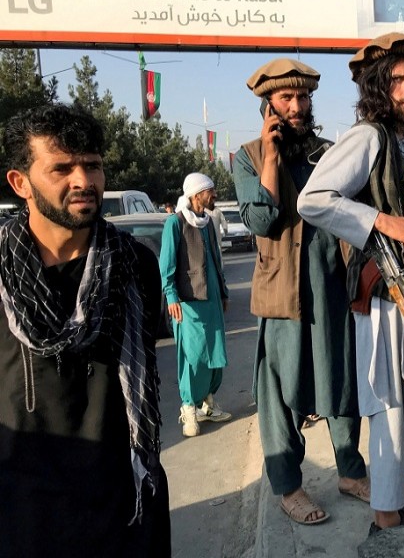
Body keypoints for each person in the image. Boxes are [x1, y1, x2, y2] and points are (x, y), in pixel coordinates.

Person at [297, 33, 404, 535]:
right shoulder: (368, 136)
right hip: (388, 292)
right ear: (378, 86)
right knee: (389, 400)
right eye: (398, 80)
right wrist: (380, 222)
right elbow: (314, 199)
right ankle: (387, 514)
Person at [0, 103, 170, 556]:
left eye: (92, 166)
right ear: (21, 184)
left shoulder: (136, 265)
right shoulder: (1, 274)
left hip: (123, 502)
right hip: (23, 512)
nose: (83, 181)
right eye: (62, 168)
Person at [233, 58, 368, 525]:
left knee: (341, 380)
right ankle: (289, 486)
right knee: (283, 391)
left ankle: (351, 472)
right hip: (282, 294)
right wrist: (271, 159)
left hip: (331, 288)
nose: (296, 106)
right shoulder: (248, 157)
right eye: (286, 99)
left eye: (303, 98)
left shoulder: (328, 153)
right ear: (267, 106)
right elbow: (262, 221)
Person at [159, 172, 232, 438]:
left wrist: (223, 292)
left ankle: (207, 404)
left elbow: (216, 259)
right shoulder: (175, 223)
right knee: (192, 356)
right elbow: (166, 264)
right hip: (188, 302)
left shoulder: (208, 222)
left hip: (212, 299)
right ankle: (188, 406)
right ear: (196, 194)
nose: (214, 196)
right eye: (210, 191)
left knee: (214, 352)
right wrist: (171, 295)